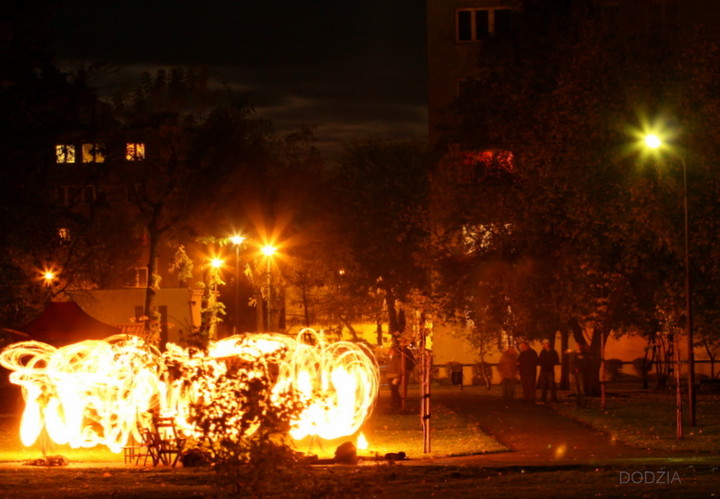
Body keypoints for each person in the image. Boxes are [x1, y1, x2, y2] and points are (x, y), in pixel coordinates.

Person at [538, 339, 559, 403]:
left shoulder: (553, 352)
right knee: (543, 385)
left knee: (552, 385)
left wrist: (550, 363)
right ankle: (543, 398)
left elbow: (556, 360)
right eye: (544, 344)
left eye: (545, 343)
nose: (544, 345)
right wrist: (541, 363)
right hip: (543, 370)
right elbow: (539, 360)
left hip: (550, 370)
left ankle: (554, 399)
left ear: (548, 344)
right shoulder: (543, 352)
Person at [567, 342, 589, 407]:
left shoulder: (583, 354)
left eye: (578, 346)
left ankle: (583, 403)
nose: (577, 347)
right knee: (576, 388)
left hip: (580, 372)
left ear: (580, 347)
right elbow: (571, 362)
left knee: (581, 387)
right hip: (573, 372)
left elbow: (584, 362)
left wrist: (579, 368)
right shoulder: (573, 354)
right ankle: (578, 403)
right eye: (576, 346)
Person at [386, 342, 404, 411]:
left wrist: (398, 377)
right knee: (394, 390)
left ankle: (395, 403)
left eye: (390, 350)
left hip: (394, 377)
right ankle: (397, 402)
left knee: (394, 390)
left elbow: (400, 368)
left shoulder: (396, 357)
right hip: (390, 376)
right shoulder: (389, 358)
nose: (388, 351)